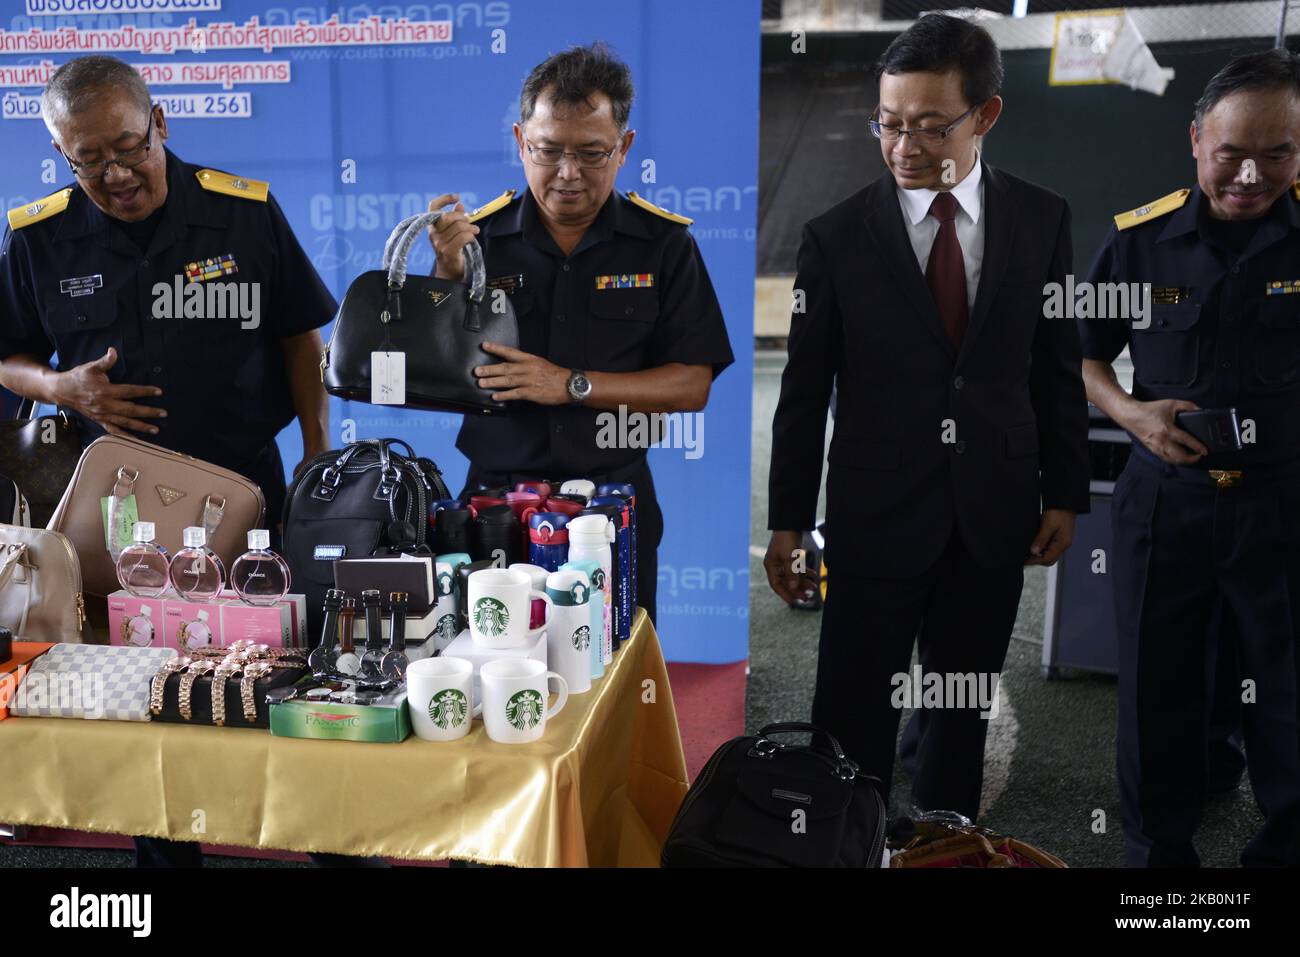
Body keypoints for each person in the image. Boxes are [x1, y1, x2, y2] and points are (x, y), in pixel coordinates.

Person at [0, 55, 361, 868]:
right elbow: (7, 356)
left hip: (248, 491)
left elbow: (302, 336)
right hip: (120, 511)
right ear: (63, 153)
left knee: (284, 674)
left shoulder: (243, 213)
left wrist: (315, 452)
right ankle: (165, 864)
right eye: (88, 158)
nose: (115, 172)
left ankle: (334, 845)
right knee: (150, 688)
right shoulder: (39, 234)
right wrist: (61, 385)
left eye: (129, 146)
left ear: (160, 122)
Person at [764, 14, 1089, 820]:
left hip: (995, 509)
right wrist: (789, 522)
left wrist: (1065, 491)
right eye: (888, 124)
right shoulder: (834, 239)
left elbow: (1055, 367)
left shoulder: (1043, 221)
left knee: (960, 707)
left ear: (986, 115)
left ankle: (948, 836)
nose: (904, 146)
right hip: (875, 517)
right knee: (852, 709)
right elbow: (803, 395)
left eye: (929, 126)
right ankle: (851, 838)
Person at [424, 42, 734, 626]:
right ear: (520, 141)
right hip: (493, 497)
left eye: (592, 154)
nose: (568, 174)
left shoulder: (663, 245)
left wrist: (570, 385)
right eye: (546, 151)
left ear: (625, 149)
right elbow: (435, 376)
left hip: (611, 495)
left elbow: (692, 384)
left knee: (616, 659)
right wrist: (445, 277)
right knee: (491, 655)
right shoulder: (476, 241)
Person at [1079, 48, 1300, 867]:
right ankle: (1158, 859)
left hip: (1283, 503)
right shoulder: (1138, 242)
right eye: (1232, 152)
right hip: (1167, 502)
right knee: (1156, 689)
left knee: (1286, 690)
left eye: (1277, 153)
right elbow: (1083, 356)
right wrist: (1133, 414)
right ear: (1196, 138)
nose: (1251, 173)